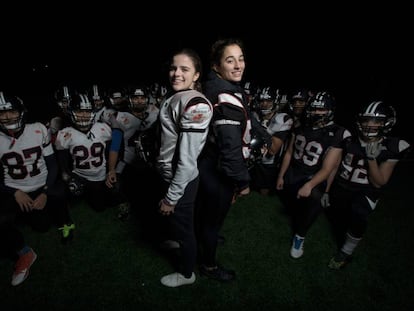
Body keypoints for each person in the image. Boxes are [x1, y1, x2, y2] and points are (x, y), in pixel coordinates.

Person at [325, 101, 411, 269]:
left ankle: (346, 252)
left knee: (358, 217)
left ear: (387, 123)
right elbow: (335, 166)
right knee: (340, 216)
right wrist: (327, 190)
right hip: (343, 186)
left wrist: (371, 159)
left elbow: (379, 182)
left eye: (376, 121)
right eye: (366, 120)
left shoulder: (392, 146)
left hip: (365, 191)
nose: (369, 125)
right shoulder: (349, 139)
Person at [0, 91, 74, 285]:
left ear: (21, 111)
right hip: (14, 190)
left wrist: (44, 192)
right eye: (2, 113)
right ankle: (24, 254)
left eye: (12, 111)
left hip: (41, 185)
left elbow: (52, 165)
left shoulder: (38, 129)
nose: (7, 117)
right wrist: (14, 192)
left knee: (44, 220)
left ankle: (65, 222)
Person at [196, 38, 252, 282]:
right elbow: (229, 149)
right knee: (212, 219)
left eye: (241, 59)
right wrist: (242, 182)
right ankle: (208, 266)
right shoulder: (224, 96)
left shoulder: (222, 87)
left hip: (208, 163)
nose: (238, 65)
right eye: (230, 60)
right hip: (217, 168)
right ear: (216, 67)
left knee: (208, 216)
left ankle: (207, 235)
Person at [156, 48, 213, 287]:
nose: (176, 73)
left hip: (181, 179)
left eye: (184, 69)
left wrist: (171, 197)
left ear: (196, 75)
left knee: (184, 227)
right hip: (171, 175)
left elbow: (187, 161)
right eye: (173, 68)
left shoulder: (195, 104)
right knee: (178, 225)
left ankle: (187, 274)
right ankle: (177, 241)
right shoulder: (177, 96)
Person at [276, 91, 351, 259]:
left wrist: (312, 186)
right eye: (314, 109)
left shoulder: (338, 133)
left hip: (314, 176)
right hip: (294, 172)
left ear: (330, 110)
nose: (316, 113)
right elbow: (289, 152)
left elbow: (328, 168)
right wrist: (281, 176)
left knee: (314, 200)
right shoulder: (300, 125)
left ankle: (299, 237)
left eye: (321, 110)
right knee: (293, 205)